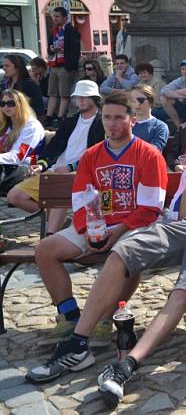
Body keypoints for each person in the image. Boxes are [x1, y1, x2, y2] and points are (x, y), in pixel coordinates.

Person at [28, 102, 186, 402]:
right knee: (123, 252)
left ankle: (129, 363)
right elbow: (182, 213)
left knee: (183, 290)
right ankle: (79, 343)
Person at [22, 91, 168, 364]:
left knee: (124, 255)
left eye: (118, 118)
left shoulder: (148, 155)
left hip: (134, 226)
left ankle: (105, 316)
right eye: (107, 117)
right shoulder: (91, 156)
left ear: (132, 120)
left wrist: (117, 231)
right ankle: (69, 315)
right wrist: (88, 229)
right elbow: (80, 200)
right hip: (97, 225)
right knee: (45, 250)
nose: (112, 124)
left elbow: (150, 207)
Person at [7, 81, 104, 235]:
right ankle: (57, 221)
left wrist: (71, 167)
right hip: (55, 171)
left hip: (83, 174)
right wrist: (41, 165)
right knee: (15, 196)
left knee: (60, 189)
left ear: (95, 98)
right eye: (78, 97)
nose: (81, 100)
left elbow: (100, 155)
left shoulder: (102, 123)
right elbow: (53, 148)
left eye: (85, 97)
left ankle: (50, 235)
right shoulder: (70, 122)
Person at [0, 89, 46, 194]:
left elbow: (18, 156)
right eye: (3, 103)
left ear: (21, 104)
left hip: (26, 169)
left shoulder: (31, 126)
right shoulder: (7, 124)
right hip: (8, 167)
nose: (6, 107)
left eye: (11, 103)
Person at [46, 7, 82, 128]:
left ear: (65, 18)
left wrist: (69, 66)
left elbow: (75, 50)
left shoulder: (71, 30)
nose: (55, 19)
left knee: (64, 94)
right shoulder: (54, 30)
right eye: (54, 16)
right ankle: (49, 116)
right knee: (52, 93)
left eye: (57, 16)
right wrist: (51, 50)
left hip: (65, 66)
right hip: (54, 64)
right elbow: (49, 46)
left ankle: (61, 117)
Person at [156, 59, 186, 128]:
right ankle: (178, 127)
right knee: (163, 98)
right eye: (182, 69)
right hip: (183, 105)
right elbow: (163, 91)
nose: (184, 71)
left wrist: (175, 92)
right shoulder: (180, 80)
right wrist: (183, 96)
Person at [130, 84, 169, 152]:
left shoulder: (160, 126)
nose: (137, 104)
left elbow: (153, 152)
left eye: (140, 100)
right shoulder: (125, 124)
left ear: (150, 101)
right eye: (133, 100)